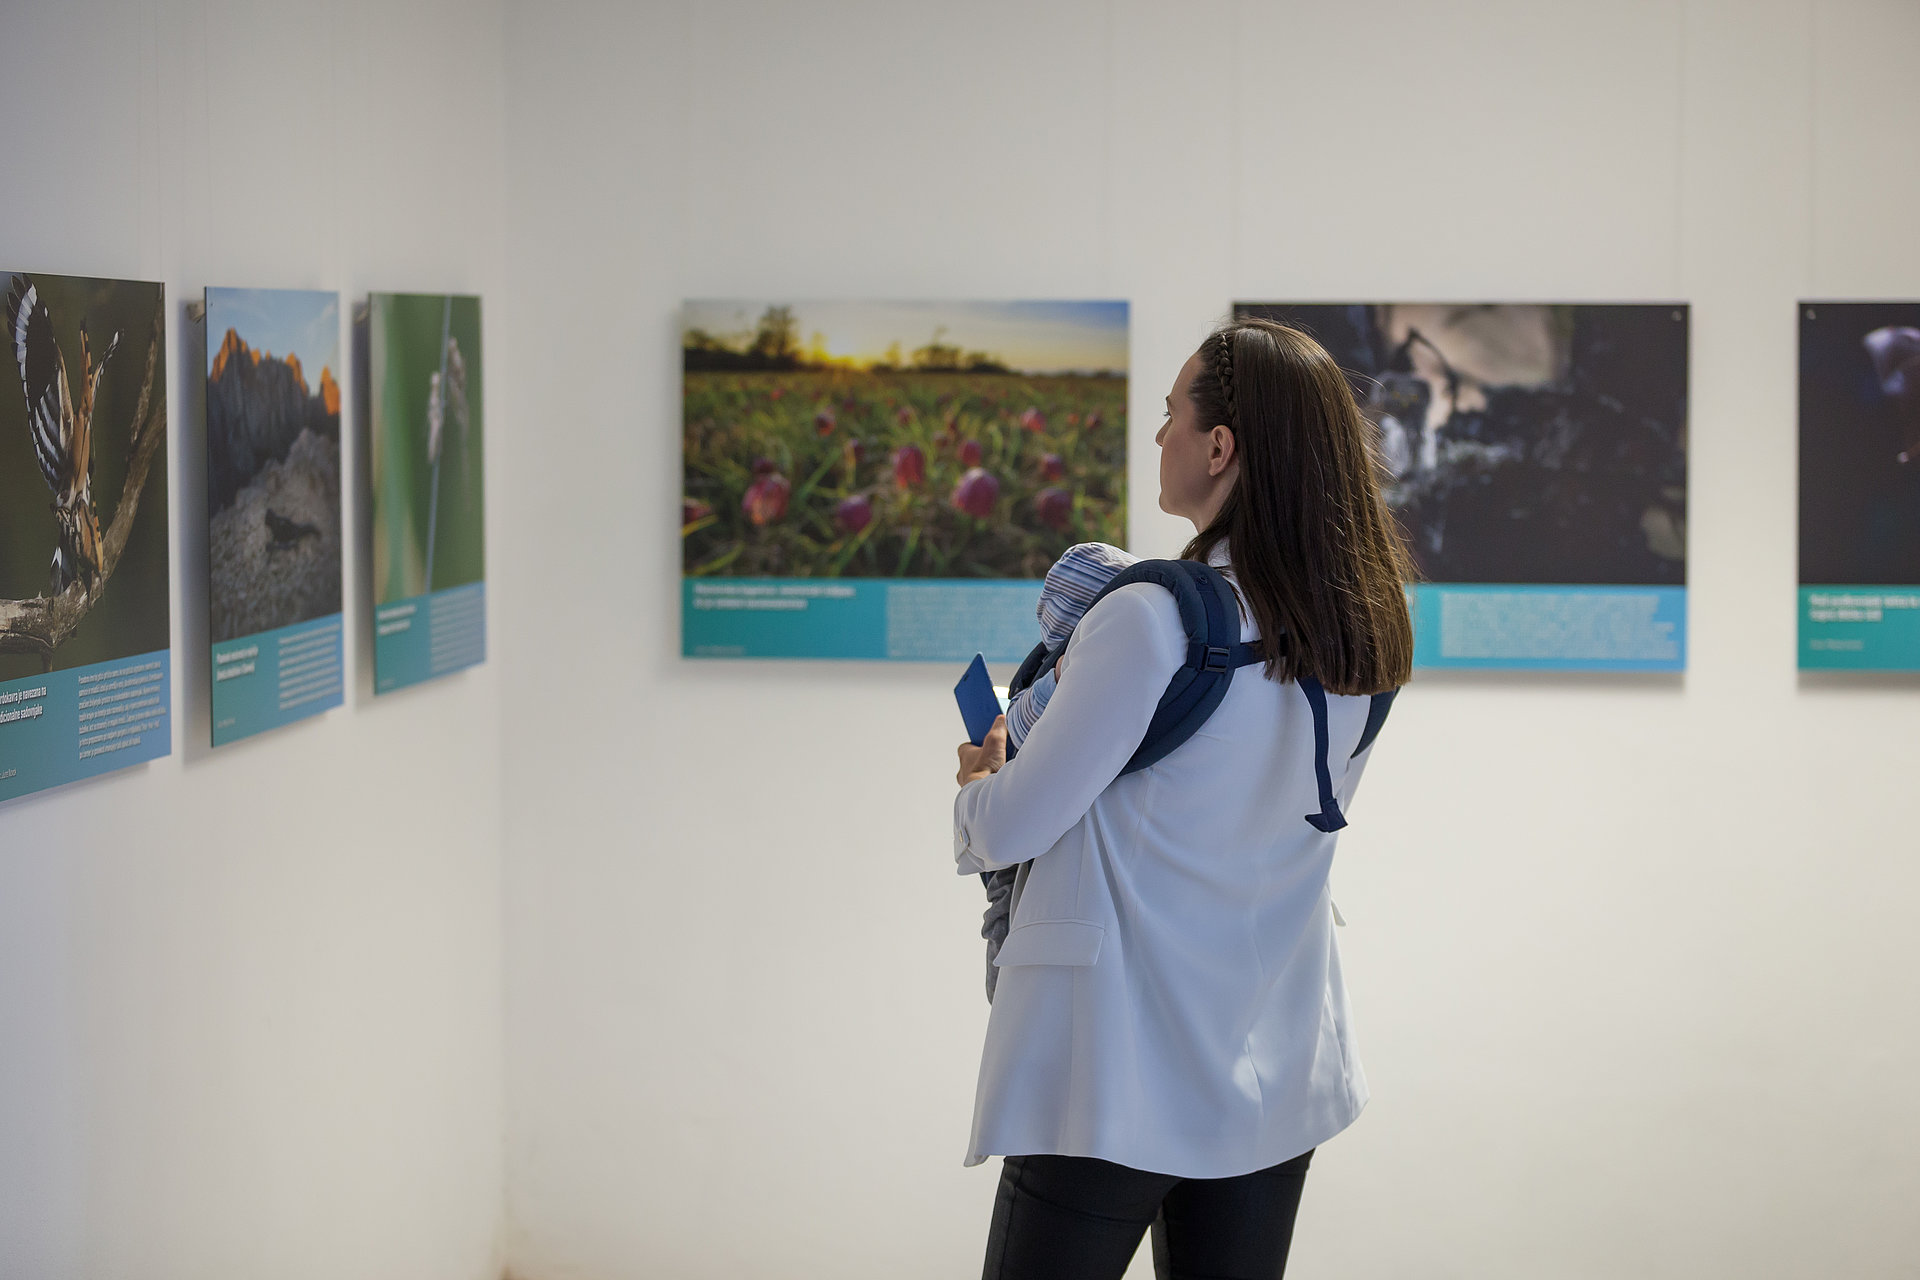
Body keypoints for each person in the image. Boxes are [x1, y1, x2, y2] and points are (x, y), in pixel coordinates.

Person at [952, 319, 1415, 1280]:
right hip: (1274, 1065)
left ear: (1220, 447)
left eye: (1172, 412)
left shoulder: (1149, 617)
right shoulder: (1363, 625)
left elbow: (1014, 828)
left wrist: (980, 780)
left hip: (1115, 1073)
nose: (1159, 433)